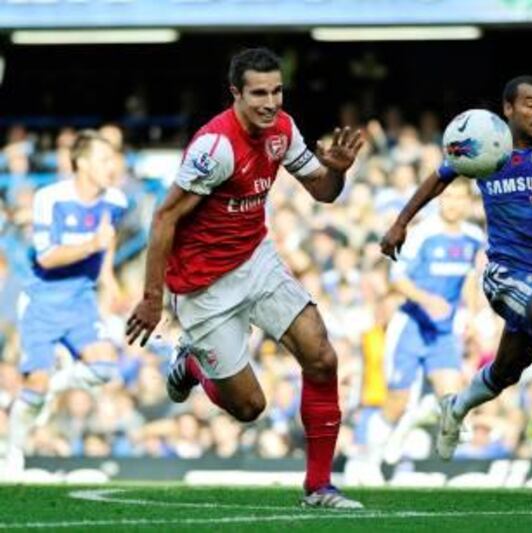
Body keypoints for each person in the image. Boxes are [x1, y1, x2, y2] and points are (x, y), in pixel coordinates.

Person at [125, 48, 364, 508]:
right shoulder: (214, 148)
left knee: (322, 356)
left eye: (276, 91)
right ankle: (191, 364)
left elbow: (324, 194)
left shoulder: (283, 129)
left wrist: (335, 172)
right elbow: (163, 219)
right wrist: (152, 300)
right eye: (258, 93)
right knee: (249, 408)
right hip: (203, 285)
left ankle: (318, 487)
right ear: (236, 93)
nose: (270, 102)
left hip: (256, 259)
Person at [381, 75, 532, 469]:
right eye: (530, 104)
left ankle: (456, 406)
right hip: (504, 274)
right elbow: (437, 179)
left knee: (505, 375)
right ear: (508, 109)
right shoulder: (485, 145)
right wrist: (401, 223)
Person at [2, 130, 126, 477]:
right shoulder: (50, 198)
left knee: (104, 369)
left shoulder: (116, 200)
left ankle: (56, 384)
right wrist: (91, 245)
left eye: (113, 159)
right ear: (83, 163)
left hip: (81, 301)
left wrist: (107, 276)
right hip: (42, 301)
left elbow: (108, 238)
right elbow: (47, 257)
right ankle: (12, 453)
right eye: (104, 159)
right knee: (35, 390)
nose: (112, 166)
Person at [373, 179, 483, 464]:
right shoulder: (422, 233)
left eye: (460, 198)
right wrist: (427, 300)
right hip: (411, 325)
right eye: (448, 197)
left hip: (444, 332)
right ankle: (372, 455)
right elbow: (396, 280)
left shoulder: (473, 237)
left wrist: (471, 315)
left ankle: (423, 419)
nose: (453, 203)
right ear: (439, 200)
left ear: (469, 203)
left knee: (453, 403)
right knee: (396, 402)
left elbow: (470, 278)